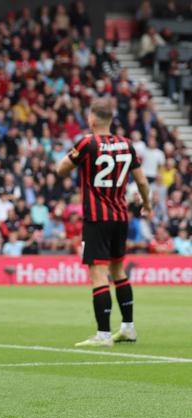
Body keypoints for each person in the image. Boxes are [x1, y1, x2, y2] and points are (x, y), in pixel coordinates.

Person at [58, 98, 151, 347]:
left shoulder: (87, 143)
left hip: (97, 219)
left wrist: (70, 167)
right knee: (119, 271)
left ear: (91, 119)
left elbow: (62, 169)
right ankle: (128, 328)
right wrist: (147, 204)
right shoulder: (126, 144)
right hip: (120, 216)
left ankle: (103, 334)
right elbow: (142, 182)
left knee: (98, 274)